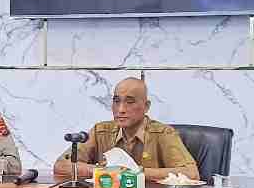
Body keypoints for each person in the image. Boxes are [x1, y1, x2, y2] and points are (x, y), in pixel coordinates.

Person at [52, 77, 199, 182]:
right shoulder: (100, 131)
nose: (121, 109)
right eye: (116, 101)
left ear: (146, 106)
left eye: (130, 102)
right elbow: (61, 166)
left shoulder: (163, 133)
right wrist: (104, 172)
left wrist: (135, 173)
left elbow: (191, 174)